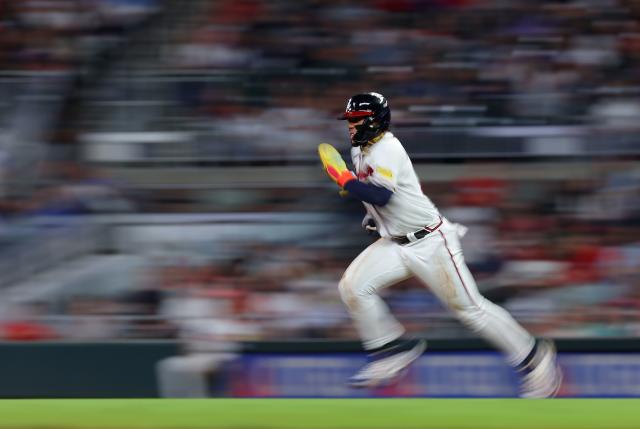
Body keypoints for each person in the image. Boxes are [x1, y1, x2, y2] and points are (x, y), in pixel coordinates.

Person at [322, 92, 562, 397]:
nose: (351, 126)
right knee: (352, 287)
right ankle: (389, 350)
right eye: (349, 121)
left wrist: (346, 182)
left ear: (375, 120)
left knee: (470, 310)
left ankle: (534, 358)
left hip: (430, 242)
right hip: (396, 242)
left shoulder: (387, 147)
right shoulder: (361, 151)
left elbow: (383, 195)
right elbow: (379, 199)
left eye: (356, 119)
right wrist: (374, 219)